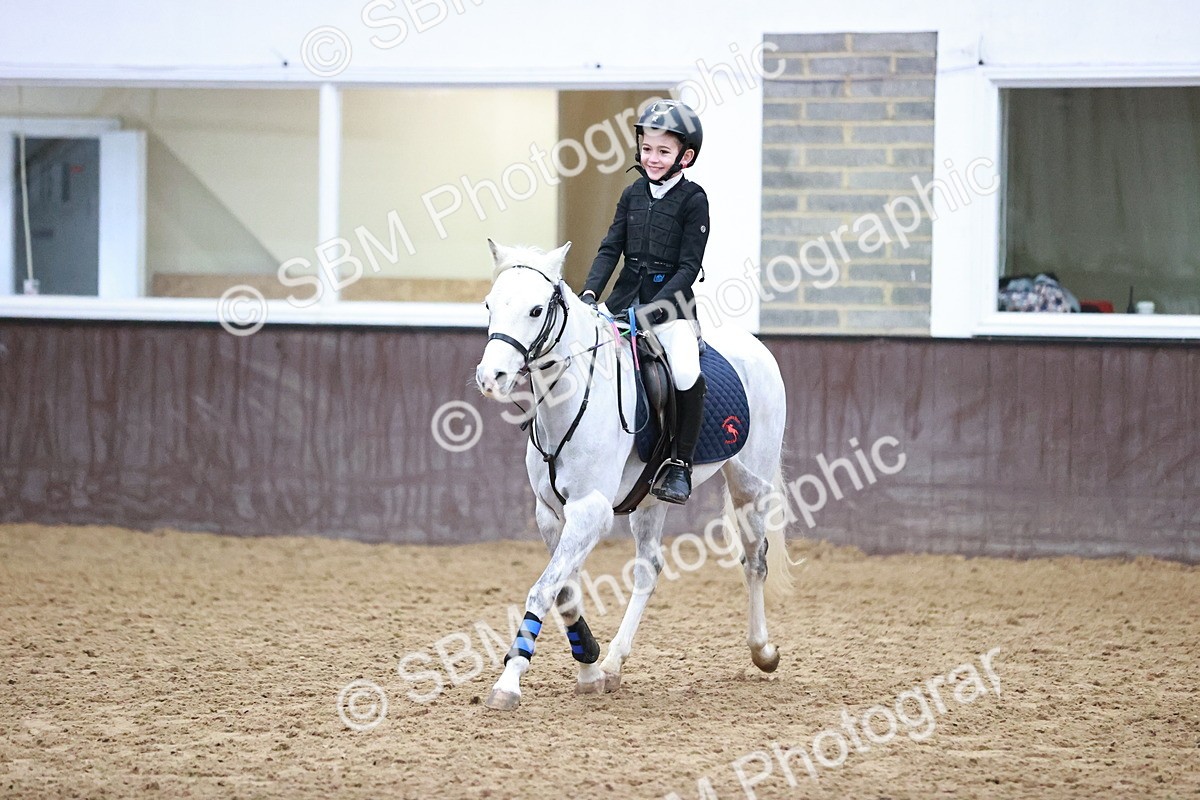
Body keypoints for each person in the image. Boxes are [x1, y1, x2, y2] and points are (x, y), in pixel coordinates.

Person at [580, 99, 709, 505]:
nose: (653, 158)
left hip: (670, 309)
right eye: (648, 149)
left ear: (684, 157)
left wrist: (653, 311)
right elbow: (609, 248)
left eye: (664, 151)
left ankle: (680, 465)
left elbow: (689, 268)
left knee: (686, 372)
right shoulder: (632, 193)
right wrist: (589, 294)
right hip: (622, 302)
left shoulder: (694, 199)